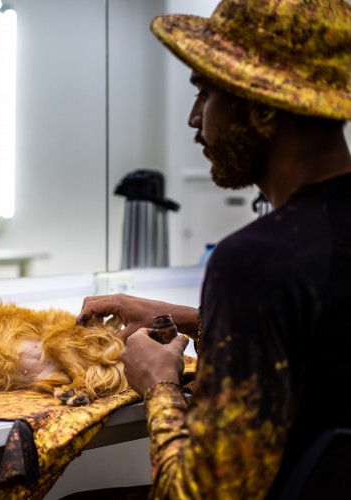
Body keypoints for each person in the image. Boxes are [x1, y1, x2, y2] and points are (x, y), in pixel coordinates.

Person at [72, 0, 351, 498]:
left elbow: (200, 493)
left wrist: (158, 382)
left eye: (205, 95)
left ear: (260, 106)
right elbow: (324, 337)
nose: (194, 118)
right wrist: (187, 317)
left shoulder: (257, 258)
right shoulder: (311, 246)